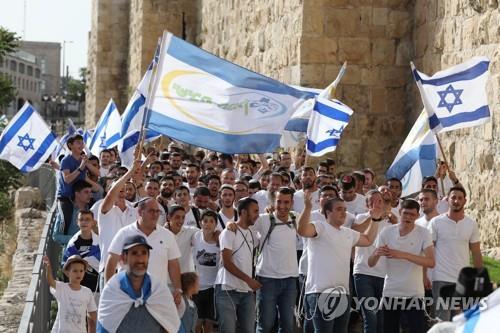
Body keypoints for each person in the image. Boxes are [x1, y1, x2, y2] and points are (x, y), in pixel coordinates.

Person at [298, 193, 380, 333]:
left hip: (343, 293)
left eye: (344, 209)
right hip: (320, 292)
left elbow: (368, 240)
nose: (343, 212)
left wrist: (375, 219)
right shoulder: (320, 227)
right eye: (339, 209)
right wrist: (307, 208)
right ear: (328, 212)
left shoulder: (348, 233)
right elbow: (302, 230)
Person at [368, 199, 435, 333]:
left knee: (417, 329)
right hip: (391, 292)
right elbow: (370, 263)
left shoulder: (424, 233)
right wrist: (376, 253)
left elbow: (431, 262)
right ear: (399, 212)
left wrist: (402, 254)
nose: (408, 217)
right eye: (405, 214)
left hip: (414, 294)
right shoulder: (387, 232)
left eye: (412, 215)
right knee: (389, 329)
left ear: (417, 216)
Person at [105, 197, 183, 306]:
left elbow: (173, 264)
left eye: (157, 211)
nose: (155, 215)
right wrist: (109, 290)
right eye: (151, 211)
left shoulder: (167, 235)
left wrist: (178, 289)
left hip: (157, 296)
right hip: (127, 296)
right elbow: (112, 261)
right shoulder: (124, 233)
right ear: (140, 212)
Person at [97, 235, 180, 332]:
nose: (140, 258)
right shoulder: (113, 289)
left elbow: (174, 327)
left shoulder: (159, 290)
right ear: (124, 258)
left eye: (144, 253)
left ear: (148, 257)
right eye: (134, 253)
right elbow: (103, 328)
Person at [429, 187, 483, 321]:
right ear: (448, 200)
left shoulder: (471, 224)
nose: (456, 201)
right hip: (441, 278)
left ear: (465, 201)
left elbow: (476, 253)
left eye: (460, 198)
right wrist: (426, 275)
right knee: (443, 321)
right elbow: (429, 250)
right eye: (453, 197)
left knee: (459, 321)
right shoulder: (436, 222)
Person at [214, 197, 262, 333]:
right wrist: (249, 280)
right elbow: (226, 263)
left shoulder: (253, 234)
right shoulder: (229, 231)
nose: (257, 214)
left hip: (246, 292)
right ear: (244, 212)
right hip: (227, 289)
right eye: (255, 211)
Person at [352, 190, 392, 333]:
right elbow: (356, 230)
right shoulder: (360, 218)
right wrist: (373, 217)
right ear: (367, 204)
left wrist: (389, 218)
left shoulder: (389, 221)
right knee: (370, 316)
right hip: (363, 272)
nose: (377, 204)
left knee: (382, 317)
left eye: (380, 201)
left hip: (384, 274)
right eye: (373, 201)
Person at [57, 134, 99, 238]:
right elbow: (67, 179)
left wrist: (87, 163)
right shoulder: (65, 161)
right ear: (70, 145)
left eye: (82, 143)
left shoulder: (83, 159)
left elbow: (98, 173)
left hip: (81, 195)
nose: (81, 145)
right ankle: (65, 238)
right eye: (78, 143)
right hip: (66, 197)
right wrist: (80, 167)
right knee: (66, 218)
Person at [43, 255, 97, 333]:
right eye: (75, 271)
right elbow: (51, 281)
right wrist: (48, 268)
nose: (78, 273)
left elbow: (92, 313)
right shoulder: (62, 288)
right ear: (68, 273)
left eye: (81, 271)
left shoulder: (87, 292)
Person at [192, 210, 220, 333]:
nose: (208, 224)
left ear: (216, 224)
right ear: (200, 223)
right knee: (197, 324)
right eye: (205, 221)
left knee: (209, 325)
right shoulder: (195, 236)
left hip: (213, 289)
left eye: (211, 221)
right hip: (197, 288)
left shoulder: (221, 240)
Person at [63, 210, 101, 293]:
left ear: (93, 222)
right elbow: (66, 266)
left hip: (97, 287)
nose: (84, 222)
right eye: (81, 219)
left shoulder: (100, 242)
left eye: (87, 219)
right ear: (77, 222)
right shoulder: (72, 244)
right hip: (77, 288)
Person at [53, 180, 93, 247]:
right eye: (86, 192)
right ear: (77, 193)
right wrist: (76, 239)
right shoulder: (66, 211)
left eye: (90, 192)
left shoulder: (92, 209)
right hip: (71, 252)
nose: (90, 195)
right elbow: (56, 236)